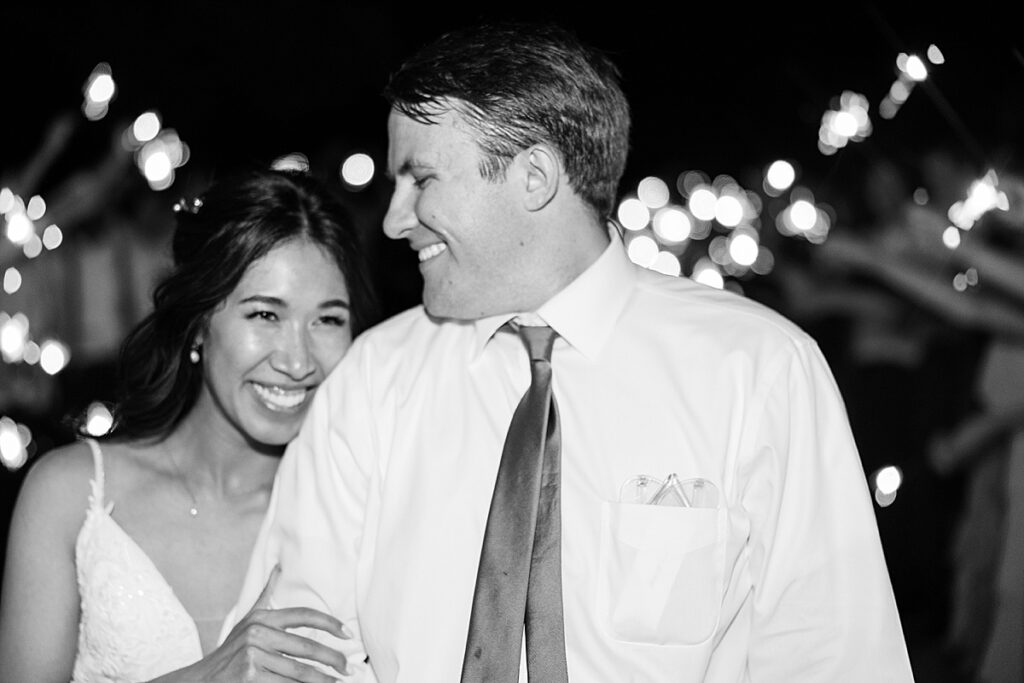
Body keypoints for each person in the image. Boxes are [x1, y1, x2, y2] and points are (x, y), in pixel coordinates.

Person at [228, 22, 915, 681]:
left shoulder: (758, 369)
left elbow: (832, 655)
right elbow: (298, 649)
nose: (394, 217)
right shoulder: (373, 380)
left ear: (534, 178)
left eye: (420, 178)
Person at [0, 167, 379, 682]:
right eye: (265, 315)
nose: (297, 360)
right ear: (199, 323)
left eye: (328, 320)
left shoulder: (361, 512)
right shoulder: (70, 494)